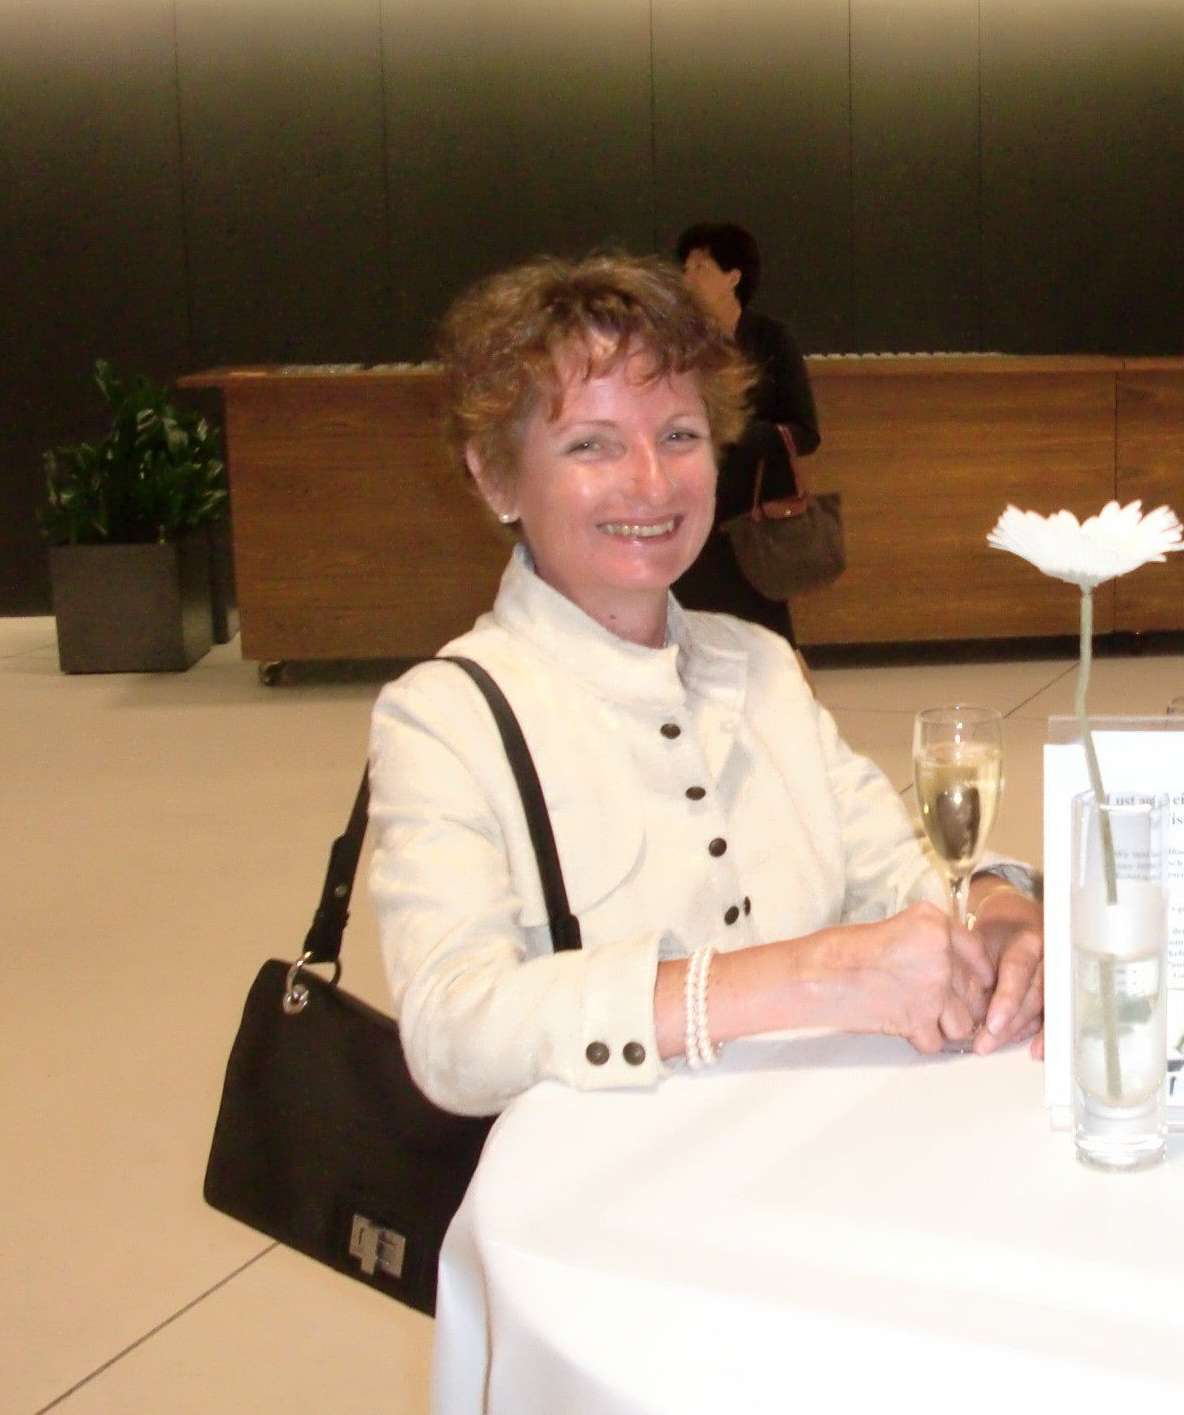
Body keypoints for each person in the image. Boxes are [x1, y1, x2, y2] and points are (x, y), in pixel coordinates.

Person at [367, 254, 1042, 1117]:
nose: (651, 482)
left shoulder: (762, 665)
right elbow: (453, 1035)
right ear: (496, 475)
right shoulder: (444, 716)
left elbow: (894, 869)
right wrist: (807, 977)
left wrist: (995, 906)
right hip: (610, 1180)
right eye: (591, 444)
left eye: (679, 436)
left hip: (819, 1147)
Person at [671, 221, 820, 642]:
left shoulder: (770, 339)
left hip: (751, 518)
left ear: (733, 277)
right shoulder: (679, 343)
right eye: (685, 268)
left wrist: (735, 433)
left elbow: (806, 433)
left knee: (766, 638)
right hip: (692, 507)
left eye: (701, 268)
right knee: (690, 629)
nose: (687, 278)